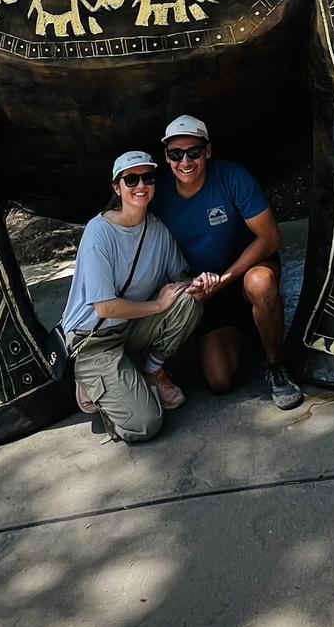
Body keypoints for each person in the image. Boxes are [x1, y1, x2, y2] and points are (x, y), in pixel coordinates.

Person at [152, 114, 305, 410]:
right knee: (220, 381)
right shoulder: (158, 194)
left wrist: (225, 279)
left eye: (194, 152)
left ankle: (275, 364)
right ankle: (250, 329)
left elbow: (271, 238)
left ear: (207, 151)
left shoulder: (233, 177)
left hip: (243, 273)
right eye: (176, 154)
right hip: (207, 290)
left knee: (262, 285)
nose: (185, 161)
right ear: (167, 157)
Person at [59, 150, 203, 443]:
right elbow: (105, 307)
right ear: (117, 187)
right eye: (131, 179)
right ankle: (94, 381)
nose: (141, 185)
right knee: (145, 424)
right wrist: (158, 305)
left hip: (129, 330)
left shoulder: (158, 231)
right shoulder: (99, 232)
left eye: (147, 177)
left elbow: (181, 277)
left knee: (188, 301)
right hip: (93, 340)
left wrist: (198, 283)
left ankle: (149, 372)